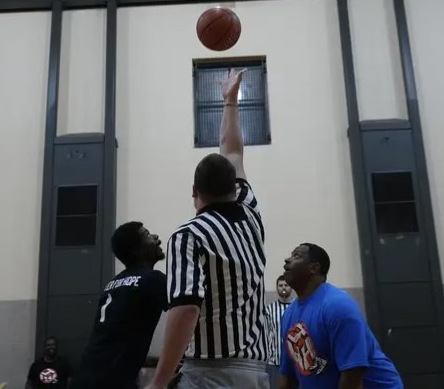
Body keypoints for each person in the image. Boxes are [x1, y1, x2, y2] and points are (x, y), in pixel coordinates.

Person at [148, 68, 269, 389]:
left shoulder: (189, 236)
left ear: (194, 192)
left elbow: (187, 307)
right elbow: (232, 151)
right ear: (234, 188)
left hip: (210, 373)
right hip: (255, 373)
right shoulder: (250, 211)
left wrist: (159, 382)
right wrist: (231, 102)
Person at [277, 243, 403, 389]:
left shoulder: (337, 305)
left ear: (314, 268)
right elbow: (289, 377)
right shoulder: (289, 315)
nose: (287, 260)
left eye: (296, 256)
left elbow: (353, 375)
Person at [73, 221, 167, 389]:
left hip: (84, 377)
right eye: (147, 235)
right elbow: (188, 311)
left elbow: (118, 339)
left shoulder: (113, 284)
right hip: (111, 382)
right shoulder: (153, 280)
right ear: (136, 250)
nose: (156, 238)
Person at [265, 274, 295, 388]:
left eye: (286, 285)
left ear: (291, 287)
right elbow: (267, 334)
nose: (283, 288)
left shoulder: (298, 307)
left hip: (295, 362)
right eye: (280, 285)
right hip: (275, 361)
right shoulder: (269, 309)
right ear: (277, 288)